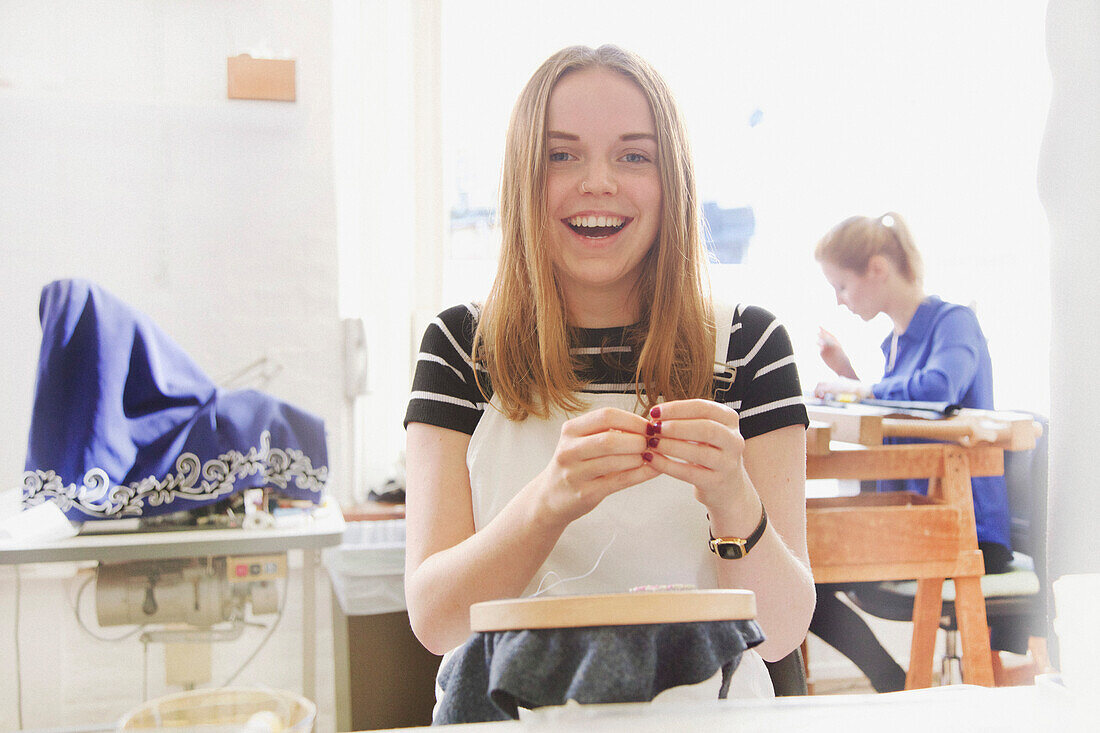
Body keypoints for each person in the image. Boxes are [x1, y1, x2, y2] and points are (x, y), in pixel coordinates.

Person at [402, 44, 815, 705]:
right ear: (522, 178)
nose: (598, 182)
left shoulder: (748, 345)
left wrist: (732, 495)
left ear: (670, 180)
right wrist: (549, 502)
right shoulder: (460, 346)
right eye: (561, 155)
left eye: (633, 155)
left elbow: (784, 627)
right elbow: (436, 617)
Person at [810, 211, 1013, 692]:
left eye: (842, 285)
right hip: (918, 514)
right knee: (803, 580)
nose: (839, 299)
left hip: (966, 525)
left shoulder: (954, 323)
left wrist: (861, 390)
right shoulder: (896, 345)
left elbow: (939, 389)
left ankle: (894, 686)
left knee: (810, 583)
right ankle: (896, 686)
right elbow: (905, 415)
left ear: (876, 269)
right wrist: (853, 377)